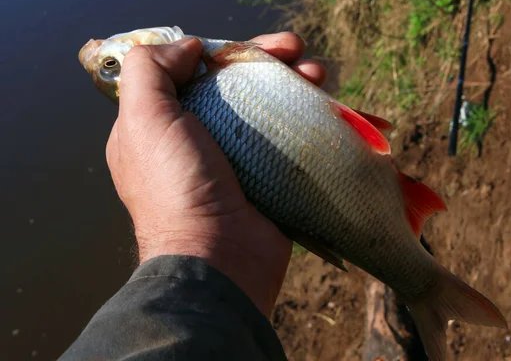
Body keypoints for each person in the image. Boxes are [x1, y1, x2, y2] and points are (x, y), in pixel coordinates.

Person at [60, 33, 328, 360]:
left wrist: (204, 247)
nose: (97, 48)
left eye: (110, 63)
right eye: (110, 65)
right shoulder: (188, 64)